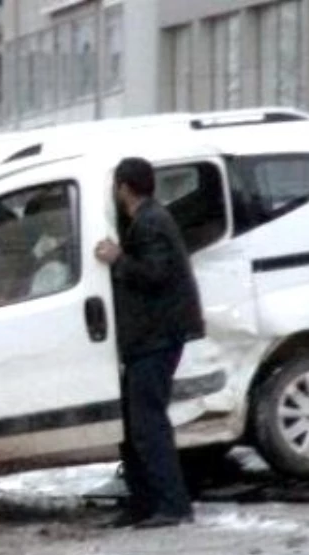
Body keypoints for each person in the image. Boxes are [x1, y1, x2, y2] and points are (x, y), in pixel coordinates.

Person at [94, 157, 205, 529]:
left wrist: (118, 258)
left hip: (157, 338)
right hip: (147, 338)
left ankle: (173, 505)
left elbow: (156, 274)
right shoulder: (146, 219)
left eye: (116, 185)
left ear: (124, 188)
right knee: (134, 424)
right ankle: (143, 503)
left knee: (149, 425)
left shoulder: (152, 222)